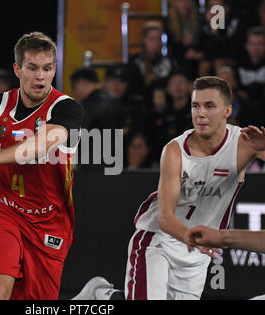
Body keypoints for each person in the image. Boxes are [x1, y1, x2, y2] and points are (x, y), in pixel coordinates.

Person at [73, 76, 265, 300]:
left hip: (196, 254)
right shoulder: (174, 151)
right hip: (160, 239)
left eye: (209, 106)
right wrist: (190, 236)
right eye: (196, 106)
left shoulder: (245, 144)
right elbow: (165, 217)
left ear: (227, 111)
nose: (200, 113)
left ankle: (103, 294)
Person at [0, 31, 84, 300]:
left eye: (47, 68)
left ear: (54, 69)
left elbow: (42, 144)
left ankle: (92, 295)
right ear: (18, 69)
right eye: (32, 68)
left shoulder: (67, 109)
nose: (40, 76)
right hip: (3, 211)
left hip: (48, 222)